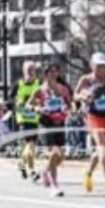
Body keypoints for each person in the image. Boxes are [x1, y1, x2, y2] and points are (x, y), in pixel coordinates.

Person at [74, 53, 105, 194]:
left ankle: (88, 173)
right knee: (101, 145)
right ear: (92, 65)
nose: (101, 69)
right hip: (93, 116)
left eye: (103, 66)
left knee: (101, 150)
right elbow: (75, 95)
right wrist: (83, 96)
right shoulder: (86, 79)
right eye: (98, 66)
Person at [29, 63, 71, 196]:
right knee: (54, 153)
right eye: (50, 71)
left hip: (60, 123)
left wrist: (67, 108)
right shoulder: (40, 90)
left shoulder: (63, 89)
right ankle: (54, 186)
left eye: (55, 71)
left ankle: (44, 171)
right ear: (45, 74)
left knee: (61, 157)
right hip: (46, 123)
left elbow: (70, 104)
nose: (53, 74)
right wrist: (37, 109)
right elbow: (28, 104)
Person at [10, 61, 41, 181]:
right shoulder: (18, 84)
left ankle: (22, 164)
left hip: (34, 118)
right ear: (24, 71)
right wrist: (18, 103)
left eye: (32, 69)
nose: (30, 72)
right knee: (30, 145)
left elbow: (44, 98)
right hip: (23, 119)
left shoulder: (38, 84)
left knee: (30, 146)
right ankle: (32, 171)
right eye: (28, 69)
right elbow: (9, 100)